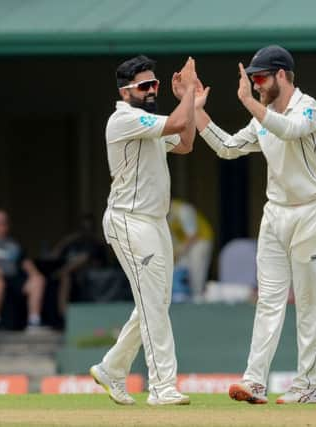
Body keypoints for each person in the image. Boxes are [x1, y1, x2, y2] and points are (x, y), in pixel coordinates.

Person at [194, 45, 316, 404]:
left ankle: (307, 385)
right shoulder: (263, 116)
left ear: (283, 76)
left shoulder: (308, 106)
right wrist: (196, 112)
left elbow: (289, 130)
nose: (256, 85)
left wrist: (249, 104)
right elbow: (227, 147)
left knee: (307, 301)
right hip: (275, 213)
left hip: (312, 211)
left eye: (261, 78)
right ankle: (255, 381)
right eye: (253, 79)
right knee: (269, 301)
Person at [89, 55, 197, 406]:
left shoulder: (148, 121)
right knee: (153, 305)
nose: (152, 90)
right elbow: (179, 121)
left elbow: (185, 142)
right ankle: (162, 387)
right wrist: (189, 96)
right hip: (129, 220)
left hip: (155, 221)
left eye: (155, 84)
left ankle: (111, 368)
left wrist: (189, 101)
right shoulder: (124, 119)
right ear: (125, 91)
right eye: (144, 86)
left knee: (156, 302)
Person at [0, 209, 46, 330]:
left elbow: (25, 261)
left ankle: (34, 321)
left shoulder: (14, 243)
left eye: (4, 222)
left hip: (14, 279)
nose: (1, 226)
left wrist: (35, 274)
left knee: (38, 281)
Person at [50, 214, 108, 316]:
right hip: (70, 275)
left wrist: (64, 270)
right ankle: (59, 316)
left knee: (65, 276)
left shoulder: (96, 243)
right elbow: (54, 256)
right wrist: (65, 241)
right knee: (61, 277)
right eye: (83, 228)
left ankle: (64, 315)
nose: (86, 231)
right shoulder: (73, 243)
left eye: (88, 227)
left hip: (89, 274)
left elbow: (85, 259)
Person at [167, 198, 214, 302]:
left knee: (196, 264)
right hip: (185, 241)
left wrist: (178, 252)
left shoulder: (184, 210)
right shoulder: (164, 214)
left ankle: (197, 295)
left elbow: (193, 236)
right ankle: (179, 292)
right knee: (178, 265)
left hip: (201, 239)